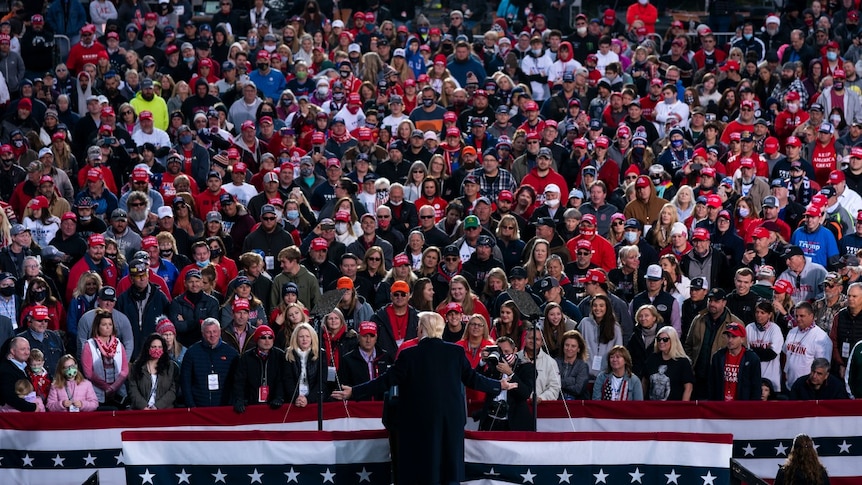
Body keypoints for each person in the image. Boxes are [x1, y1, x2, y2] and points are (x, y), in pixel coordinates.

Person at [332, 312, 516, 485]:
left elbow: (385, 381)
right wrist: (499, 385)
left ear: (423, 329)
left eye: (419, 326)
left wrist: (353, 392)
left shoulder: (409, 354)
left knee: (421, 469)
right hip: (449, 421)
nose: (417, 330)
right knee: (447, 469)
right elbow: (473, 379)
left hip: (418, 422)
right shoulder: (455, 353)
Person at [180, 318, 238, 407]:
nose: (212, 335)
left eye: (215, 331)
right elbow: (185, 382)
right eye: (208, 332)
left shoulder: (231, 353)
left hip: (224, 407)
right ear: (203, 334)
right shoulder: (191, 353)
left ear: (219, 332)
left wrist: (231, 404)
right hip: (198, 407)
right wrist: (191, 405)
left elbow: (236, 382)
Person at [81, 308, 129, 407]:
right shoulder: (89, 345)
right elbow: (88, 373)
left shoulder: (118, 344)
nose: (108, 327)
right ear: (97, 326)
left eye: (110, 324)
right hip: (96, 393)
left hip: (118, 393)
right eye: (104, 324)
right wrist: (105, 387)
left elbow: (124, 370)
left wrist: (113, 387)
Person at [232, 325, 285, 413]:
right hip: (250, 405)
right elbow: (239, 381)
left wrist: (279, 397)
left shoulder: (281, 356)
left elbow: (282, 380)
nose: (267, 341)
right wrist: (239, 399)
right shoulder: (246, 357)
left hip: (274, 405)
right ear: (257, 340)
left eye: (270, 337)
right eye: (263, 337)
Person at [337, 321, 394, 401]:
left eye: (372, 336)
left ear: (376, 337)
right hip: (358, 407)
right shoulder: (347, 360)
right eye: (365, 336)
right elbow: (343, 386)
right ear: (358, 337)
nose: (368, 340)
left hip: (382, 406)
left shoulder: (386, 357)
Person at [708, 322, 762, 401]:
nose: (730, 340)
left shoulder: (752, 359)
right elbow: (712, 384)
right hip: (721, 405)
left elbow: (756, 387)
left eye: (734, 337)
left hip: (742, 407)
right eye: (728, 336)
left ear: (742, 339)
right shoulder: (718, 357)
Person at [128, 333, 177, 410]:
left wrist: (157, 406)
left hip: (164, 411)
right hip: (141, 411)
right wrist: (143, 406)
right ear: (148, 348)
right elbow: (133, 389)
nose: (157, 349)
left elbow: (173, 390)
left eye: (160, 347)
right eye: (154, 347)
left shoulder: (170, 366)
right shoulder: (137, 366)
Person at [643, 326, 694, 401]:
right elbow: (644, 381)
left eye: (665, 339)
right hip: (651, 406)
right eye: (659, 339)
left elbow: (688, 388)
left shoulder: (683, 362)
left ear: (673, 341)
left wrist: (683, 407)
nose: (661, 342)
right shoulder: (652, 358)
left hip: (673, 407)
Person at [283, 322, 325, 408]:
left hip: (314, 400)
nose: (304, 339)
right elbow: (287, 380)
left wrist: (308, 399)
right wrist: (296, 398)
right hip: (294, 400)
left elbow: (322, 381)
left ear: (312, 338)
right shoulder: (288, 354)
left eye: (307, 336)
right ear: (296, 338)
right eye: (301, 336)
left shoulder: (321, 354)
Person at [556, 330, 590, 400]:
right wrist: (571, 380)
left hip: (576, 404)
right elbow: (551, 384)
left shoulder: (582, 366)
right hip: (556, 401)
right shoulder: (555, 362)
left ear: (578, 349)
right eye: (567, 345)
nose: (569, 348)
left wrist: (560, 383)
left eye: (573, 346)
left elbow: (578, 389)